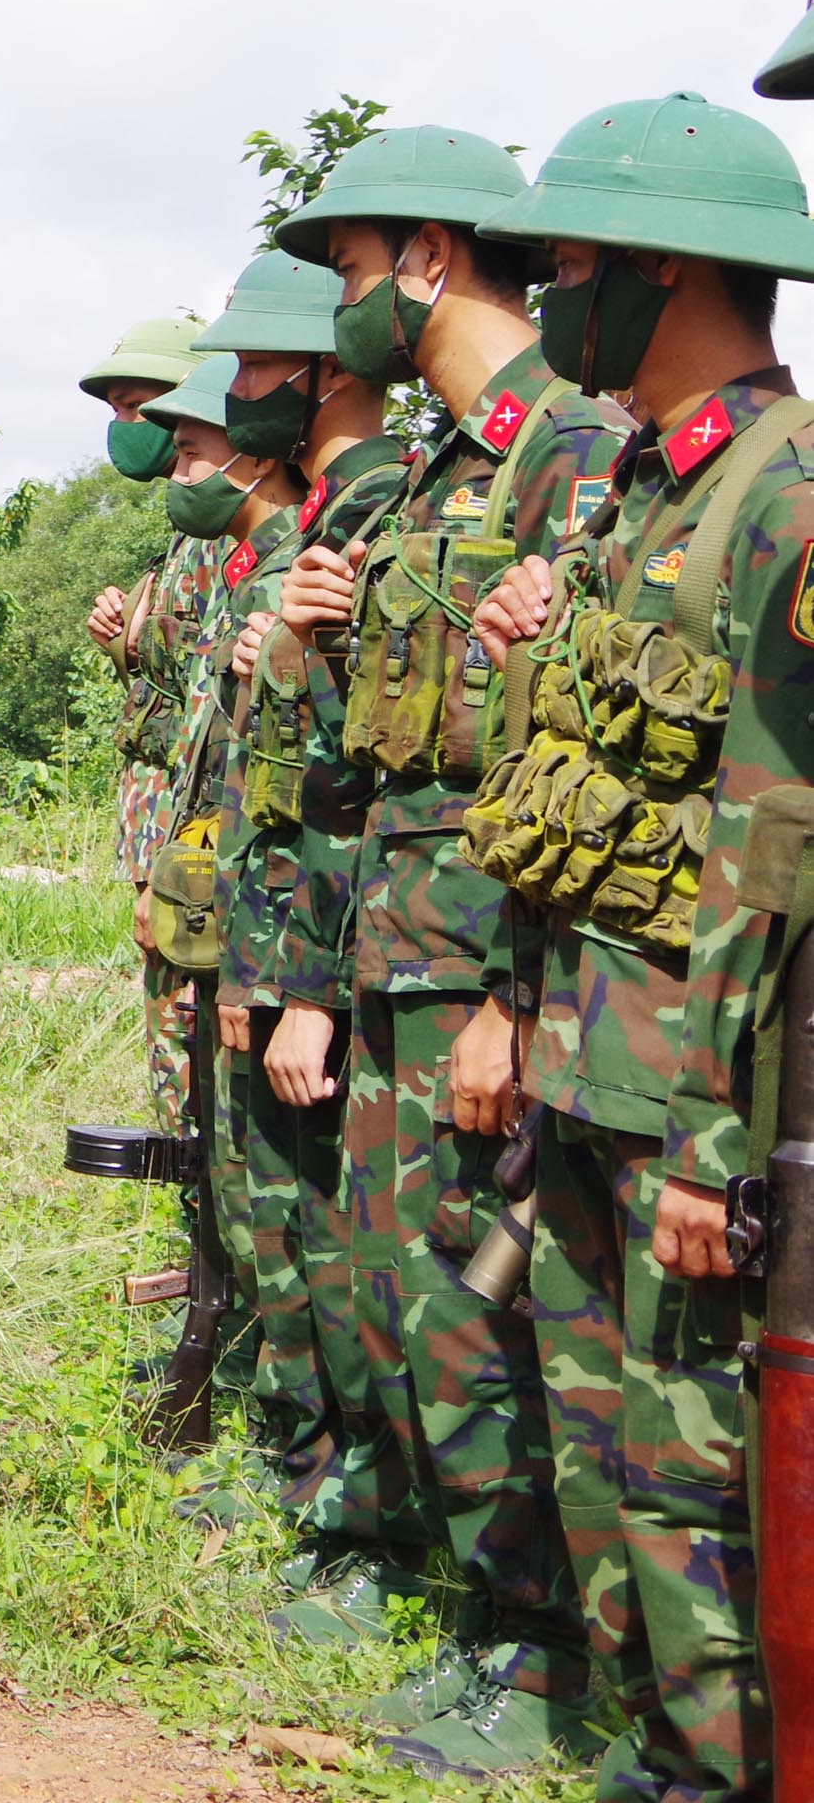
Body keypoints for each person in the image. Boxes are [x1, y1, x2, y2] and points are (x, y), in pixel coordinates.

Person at [465, 91, 814, 1803]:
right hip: (592, 1055)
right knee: (606, 1448)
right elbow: (588, 789)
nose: (548, 307)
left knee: (691, 1481)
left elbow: (772, 841)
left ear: (668, 270)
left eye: (572, 270)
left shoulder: (783, 498)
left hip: (690, 1092)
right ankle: (640, 1748)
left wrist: (712, 1147)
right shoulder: (634, 496)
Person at [268, 125, 627, 1772]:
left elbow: (584, 763)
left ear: (423, 255)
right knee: (417, 1307)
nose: (337, 305)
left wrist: (511, 997)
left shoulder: (576, 452)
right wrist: (334, 648)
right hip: (399, 960)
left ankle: (549, 1660)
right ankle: (486, 1623)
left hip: (502, 972)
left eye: (347, 274)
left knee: (499, 1319)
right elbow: (394, 758)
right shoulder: (428, 471)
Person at [197, 249, 431, 1651]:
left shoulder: (378, 517)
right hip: (289, 950)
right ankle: (319, 1494)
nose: (227, 407)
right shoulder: (328, 524)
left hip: (372, 964)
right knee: (292, 1245)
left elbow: (362, 787)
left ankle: (385, 1541)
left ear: (320, 369)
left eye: (247, 374)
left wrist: (294, 984)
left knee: (362, 1268)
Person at [139, 348, 330, 1514]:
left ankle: (281, 1438)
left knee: (267, 1200)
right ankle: (241, 1394)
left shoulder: (286, 572)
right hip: (230, 927)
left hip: (282, 941)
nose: (179, 467)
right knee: (223, 1184)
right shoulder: (237, 572)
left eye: (196, 446)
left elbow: (274, 784)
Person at [84, 315, 223, 1122]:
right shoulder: (183, 529)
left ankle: (203, 1229)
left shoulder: (219, 528)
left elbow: (208, 711)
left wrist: (172, 870)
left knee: (188, 1029)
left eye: (136, 406)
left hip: (188, 841)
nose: (122, 428)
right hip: (162, 837)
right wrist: (124, 639)